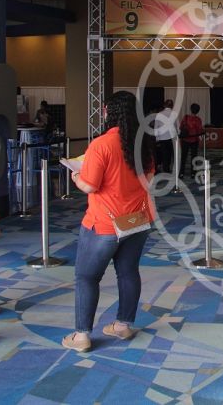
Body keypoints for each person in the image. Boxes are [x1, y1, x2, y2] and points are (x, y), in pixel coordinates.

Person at [63, 91, 156, 353]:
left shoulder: (101, 144)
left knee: (86, 277)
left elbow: (90, 185)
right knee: (128, 272)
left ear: (107, 112)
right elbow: (148, 181)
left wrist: (76, 177)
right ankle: (123, 325)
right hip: (137, 220)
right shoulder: (143, 144)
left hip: (104, 223)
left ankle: (82, 336)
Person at [179, 103, 204, 179]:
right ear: (198, 111)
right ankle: (193, 174)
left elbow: (181, 127)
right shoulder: (198, 120)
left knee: (183, 157)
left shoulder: (185, 117)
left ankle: (181, 173)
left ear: (191, 109)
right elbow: (200, 131)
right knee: (194, 157)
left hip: (185, 140)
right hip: (194, 140)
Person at [154, 99, 176, 174]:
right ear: (172, 106)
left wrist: (156, 138)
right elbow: (177, 126)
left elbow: (156, 127)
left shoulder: (159, 114)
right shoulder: (174, 114)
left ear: (164, 105)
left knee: (163, 154)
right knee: (170, 154)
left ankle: (164, 169)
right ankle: (168, 168)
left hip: (162, 137)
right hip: (172, 137)